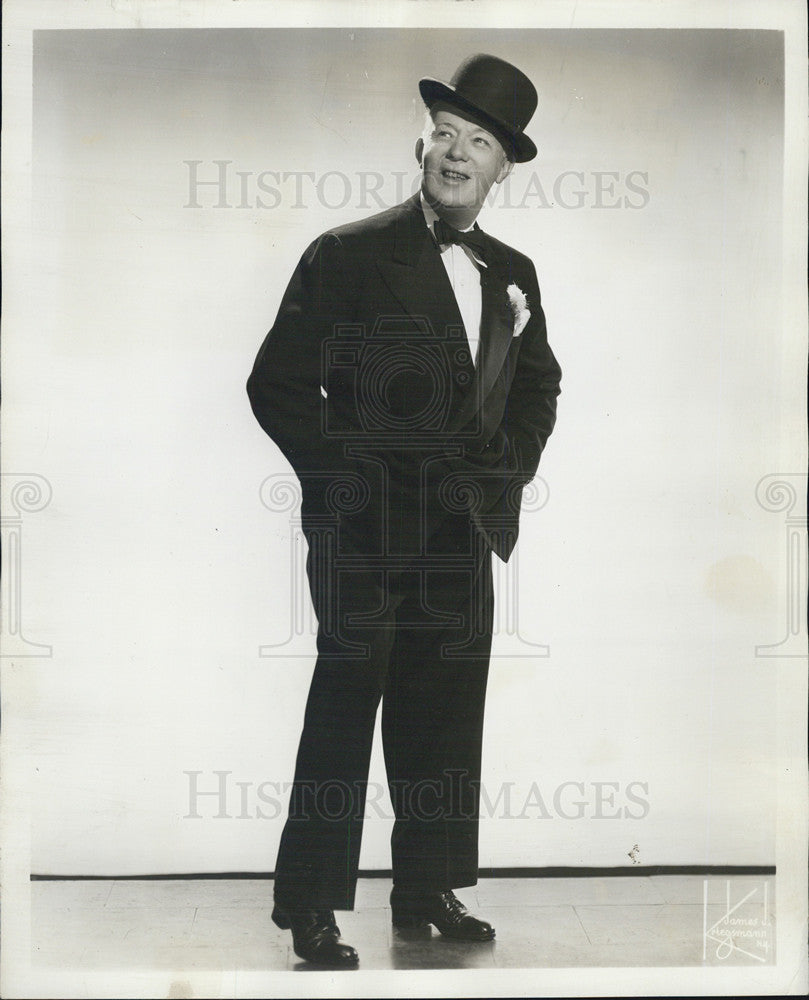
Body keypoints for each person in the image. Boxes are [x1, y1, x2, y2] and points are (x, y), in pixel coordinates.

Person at [247, 53, 562, 967]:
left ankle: (427, 888)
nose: (458, 154)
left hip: (461, 527)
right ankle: (311, 906)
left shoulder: (513, 271)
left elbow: (538, 385)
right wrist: (340, 479)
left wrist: (507, 467)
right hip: (365, 530)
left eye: (482, 143)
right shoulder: (346, 253)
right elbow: (276, 383)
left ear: (504, 169)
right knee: (346, 706)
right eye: (447, 135)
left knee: (443, 710)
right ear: (420, 144)